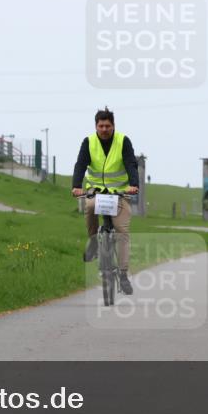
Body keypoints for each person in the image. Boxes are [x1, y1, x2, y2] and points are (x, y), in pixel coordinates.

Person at [71, 107, 140, 294]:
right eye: (101, 126)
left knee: (122, 231)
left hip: (119, 194)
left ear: (113, 126)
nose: (104, 129)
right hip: (96, 192)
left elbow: (131, 164)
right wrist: (76, 185)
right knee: (90, 206)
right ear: (96, 126)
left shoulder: (123, 141)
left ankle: (123, 274)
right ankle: (93, 241)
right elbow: (80, 164)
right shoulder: (89, 142)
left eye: (107, 126)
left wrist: (134, 184)